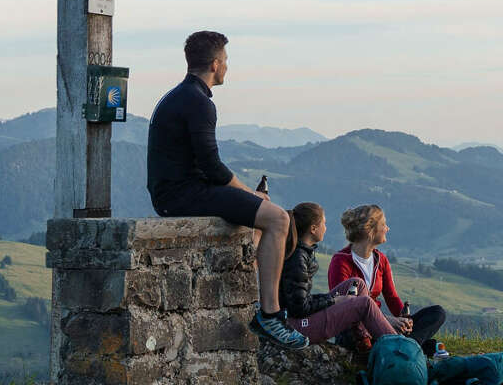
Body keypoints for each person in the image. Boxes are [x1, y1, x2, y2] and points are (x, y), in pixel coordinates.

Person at [145, 30, 305, 348]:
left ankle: (261, 299)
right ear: (216, 64)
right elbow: (213, 168)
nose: (227, 67)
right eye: (227, 61)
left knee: (260, 219)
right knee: (278, 220)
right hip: (183, 195)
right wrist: (249, 194)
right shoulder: (199, 103)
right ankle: (271, 316)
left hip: (173, 193)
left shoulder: (178, 96)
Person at [327, 203, 446, 356]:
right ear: (370, 230)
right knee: (356, 328)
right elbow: (344, 306)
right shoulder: (341, 261)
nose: (387, 228)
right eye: (383, 224)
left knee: (437, 313)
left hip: (382, 325)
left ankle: (404, 345)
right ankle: (411, 348)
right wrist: (387, 321)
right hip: (356, 326)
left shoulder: (380, 260)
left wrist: (405, 321)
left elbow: (392, 297)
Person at [279, 201, 402, 347]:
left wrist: (333, 298)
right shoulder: (298, 258)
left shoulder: (302, 253)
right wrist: (333, 300)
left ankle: (365, 343)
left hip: (300, 319)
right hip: (297, 327)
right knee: (365, 302)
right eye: (323, 223)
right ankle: (399, 349)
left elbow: (303, 300)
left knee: (357, 283)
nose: (326, 228)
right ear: (313, 229)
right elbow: (299, 308)